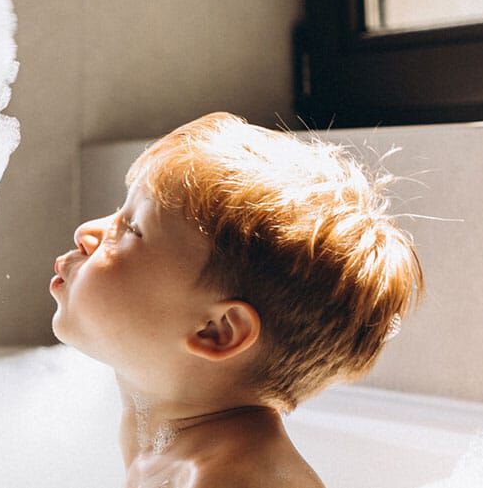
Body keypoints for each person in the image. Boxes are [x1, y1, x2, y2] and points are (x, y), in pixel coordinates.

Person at [48, 112, 423, 488]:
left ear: (217, 331)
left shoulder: (234, 479)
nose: (86, 231)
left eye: (130, 228)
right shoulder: (158, 424)